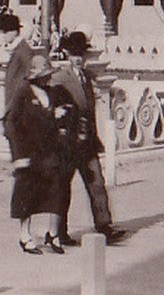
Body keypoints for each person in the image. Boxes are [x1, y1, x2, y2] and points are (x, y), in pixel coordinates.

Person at [49, 32, 125, 247]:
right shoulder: (59, 77)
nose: (78, 59)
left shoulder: (87, 77)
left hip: (88, 141)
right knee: (64, 187)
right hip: (69, 143)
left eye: (81, 54)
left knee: (97, 183)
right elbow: (51, 104)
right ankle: (59, 232)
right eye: (74, 54)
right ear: (67, 54)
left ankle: (104, 226)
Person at [2, 53, 69, 255]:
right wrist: (18, 154)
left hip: (50, 152)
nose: (48, 79)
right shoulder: (23, 93)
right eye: (45, 75)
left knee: (57, 190)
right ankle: (25, 235)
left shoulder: (51, 93)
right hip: (29, 152)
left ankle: (53, 234)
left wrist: (58, 117)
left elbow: (59, 115)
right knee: (27, 194)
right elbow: (10, 123)